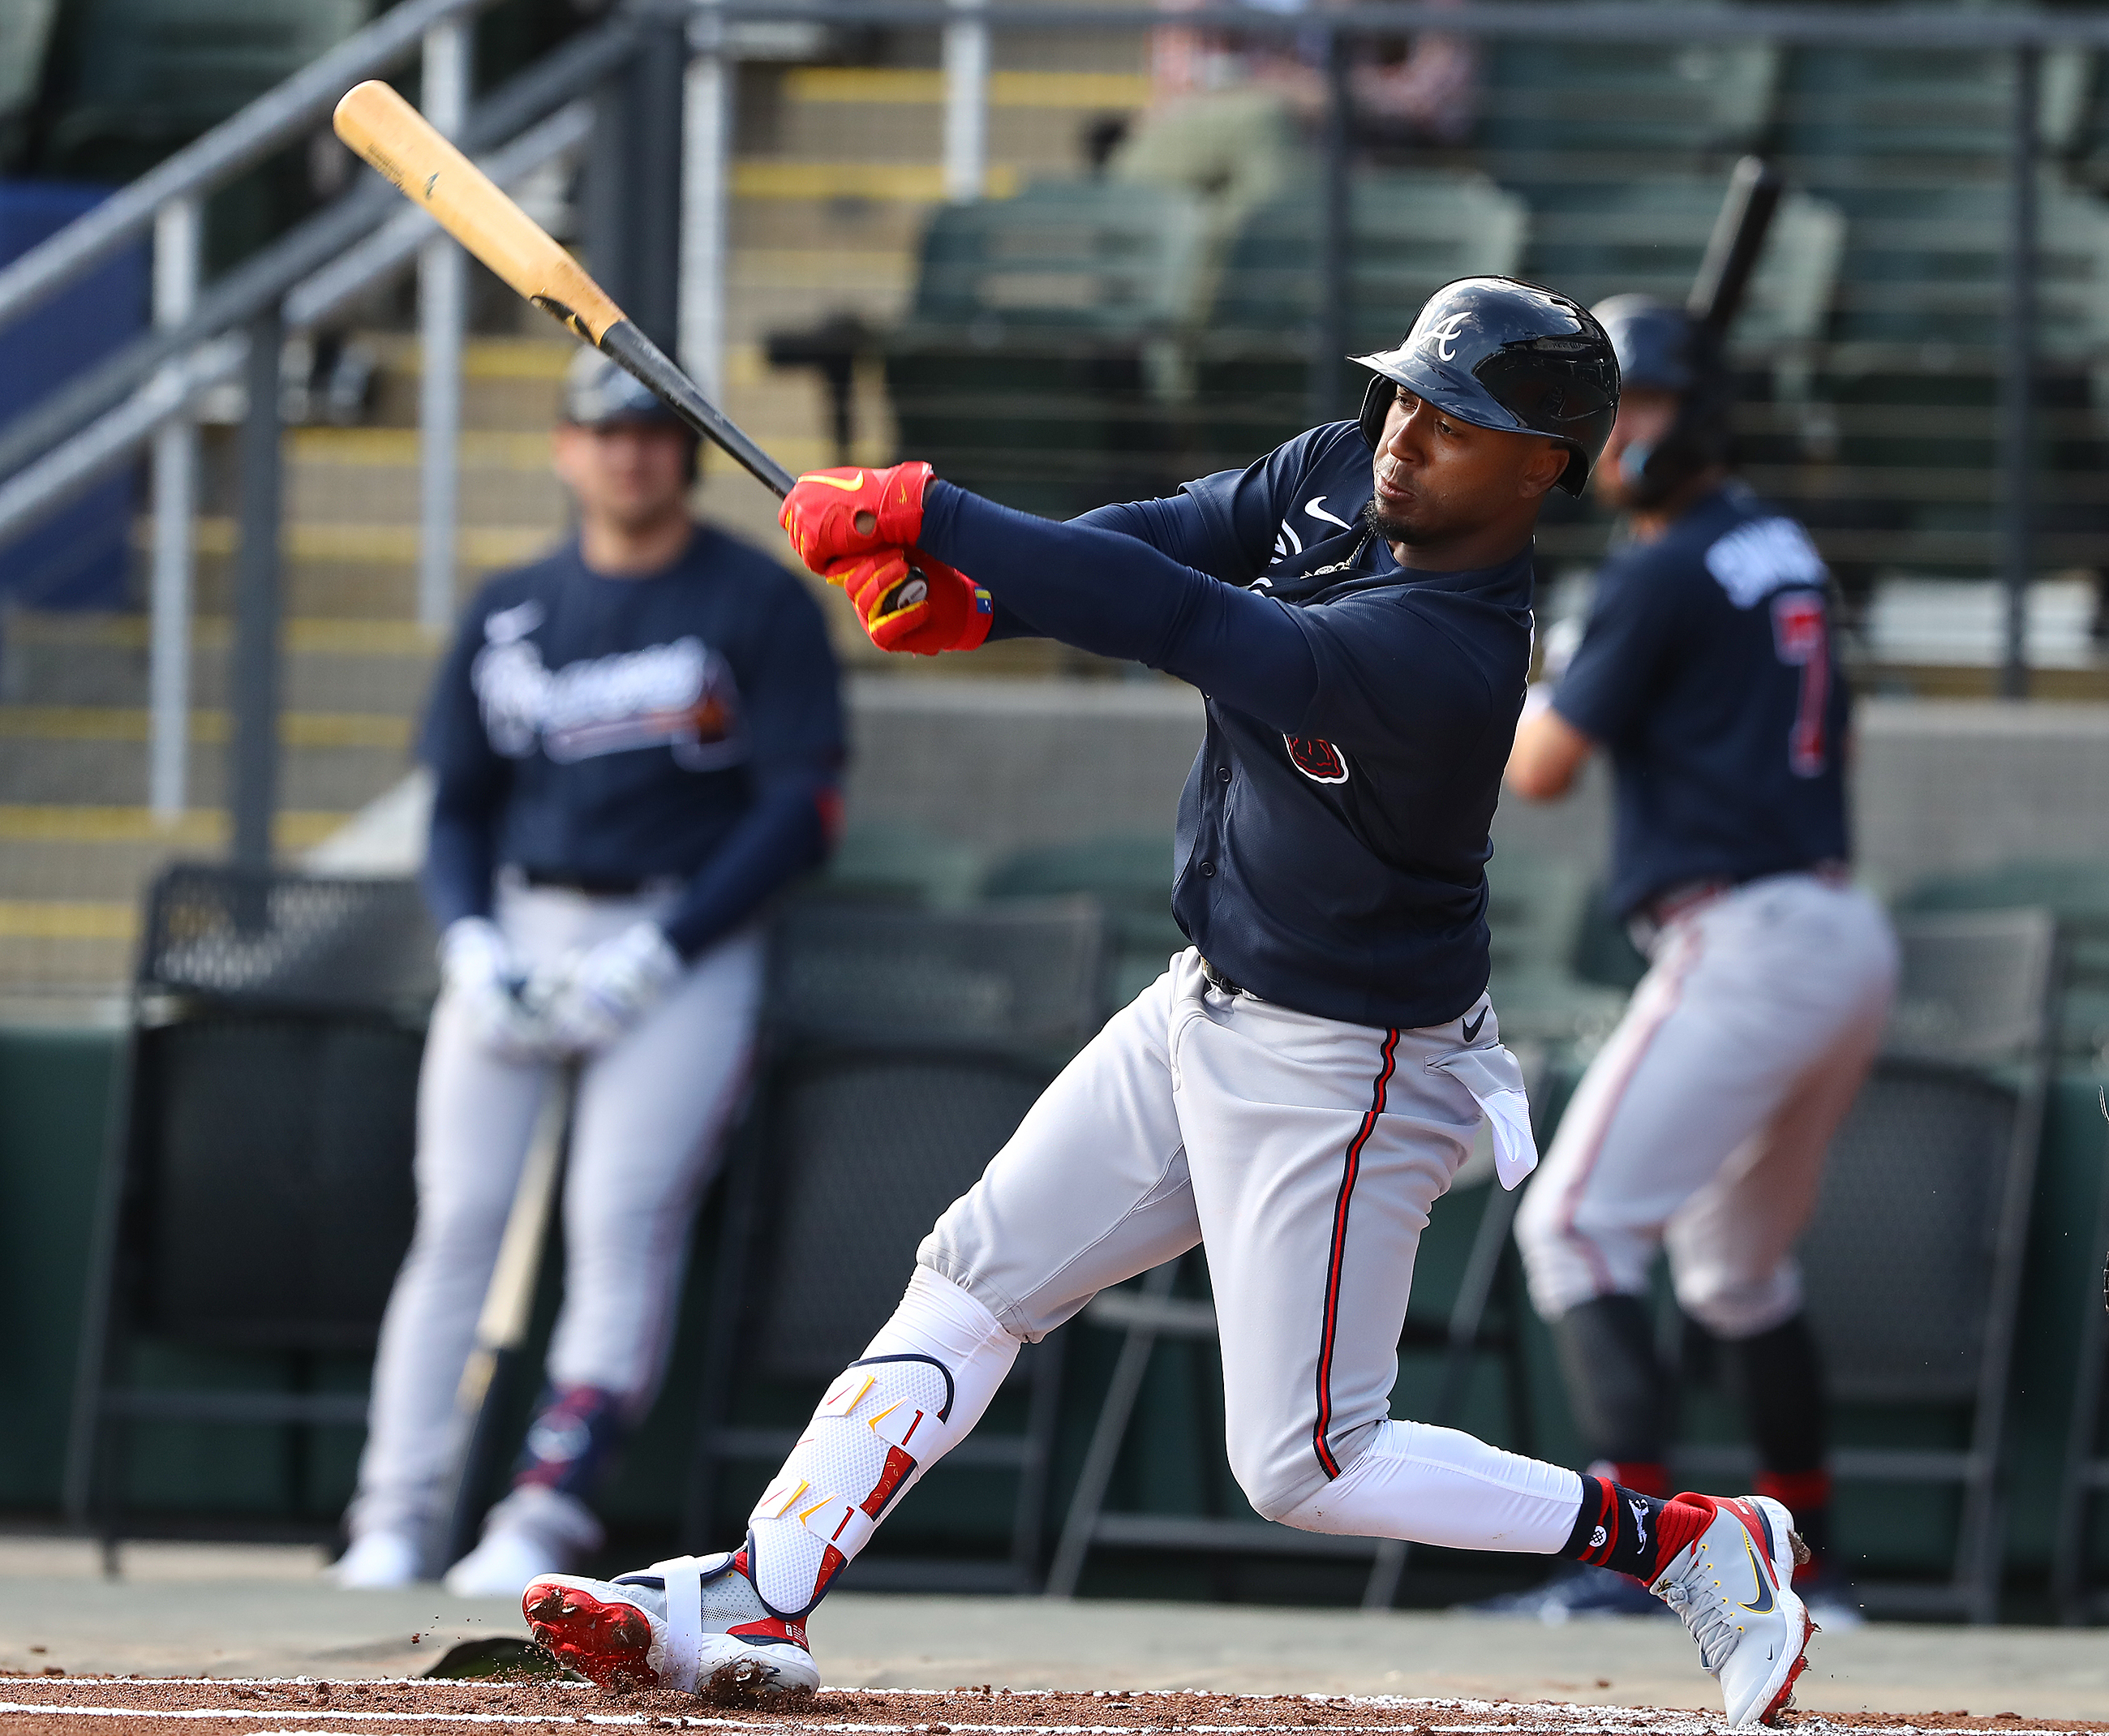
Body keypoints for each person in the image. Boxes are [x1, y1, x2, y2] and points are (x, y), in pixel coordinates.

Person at [522, 278, 1815, 1728]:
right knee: (978, 1271)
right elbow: (1160, 539)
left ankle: (1693, 1541)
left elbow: (1181, 618)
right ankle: (766, 1585)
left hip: (1350, 1063)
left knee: (1308, 1467)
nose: (1404, 436)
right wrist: (982, 601)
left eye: (1457, 425)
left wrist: (929, 514)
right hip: (1206, 992)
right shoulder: (1342, 464)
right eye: (1404, 396)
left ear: (1539, 471)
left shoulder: (1447, 657)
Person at [330, 351, 846, 1596]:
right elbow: (455, 808)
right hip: (522, 925)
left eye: (653, 435)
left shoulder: (757, 604)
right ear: (565, 449)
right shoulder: (515, 605)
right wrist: (467, 936)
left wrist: (664, 946)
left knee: (619, 1219)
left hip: (682, 939)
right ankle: (392, 1511)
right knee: (456, 1220)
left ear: (682, 453)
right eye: (604, 435)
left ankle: (545, 1514)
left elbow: (801, 809)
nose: (630, 455)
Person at [1493, 295, 1897, 1627]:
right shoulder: (1776, 542)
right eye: (1611, 418)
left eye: (1642, 410)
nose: (1620, 442)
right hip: (1835, 936)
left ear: (1700, 411)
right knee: (1734, 1273)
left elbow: (1543, 772)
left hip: (1750, 941)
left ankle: (1636, 1563)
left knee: (1578, 1227)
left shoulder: (1665, 565)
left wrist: (1438, 691)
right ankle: (1814, 1565)